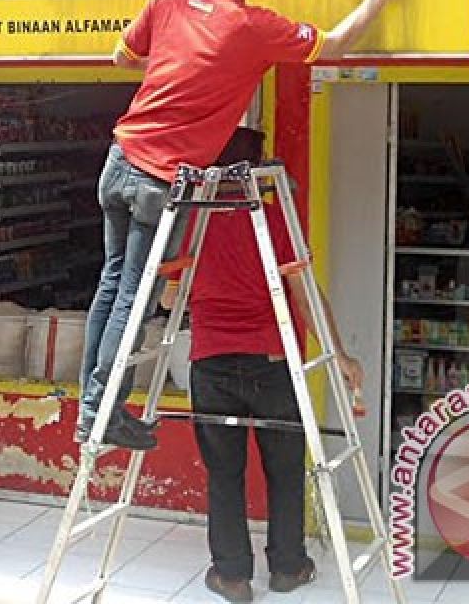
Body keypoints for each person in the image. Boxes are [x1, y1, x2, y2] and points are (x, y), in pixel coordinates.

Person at [79, 0, 427, 449]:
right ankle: (104, 414)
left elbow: (122, 57)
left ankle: (90, 407)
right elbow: (334, 45)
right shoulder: (253, 27)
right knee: (132, 299)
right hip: (156, 179)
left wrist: (182, 74)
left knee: (111, 284)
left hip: (120, 159)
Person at [160, 128, 365, 603]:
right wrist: (340, 353)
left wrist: (201, 286)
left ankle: (231, 577)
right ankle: (289, 569)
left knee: (224, 474)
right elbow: (306, 298)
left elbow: (172, 299)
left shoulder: (192, 225)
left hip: (210, 365)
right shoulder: (275, 221)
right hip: (273, 365)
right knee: (286, 469)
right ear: (255, 172)